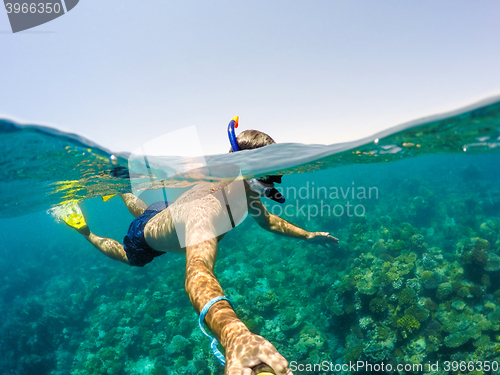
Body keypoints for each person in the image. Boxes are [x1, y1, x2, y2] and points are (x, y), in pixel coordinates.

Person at [69, 118, 339, 375]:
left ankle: (121, 187)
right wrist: (234, 335)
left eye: (275, 176)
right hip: (147, 238)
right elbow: (197, 273)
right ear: (242, 170)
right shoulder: (206, 211)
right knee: (130, 256)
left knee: (146, 211)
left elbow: (267, 220)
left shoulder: (243, 192)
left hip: (166, 212)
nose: (272, 186)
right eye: (268, 177)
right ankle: (85, 230)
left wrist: (307, 235)